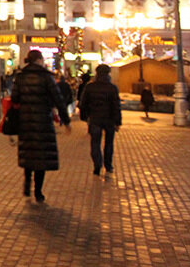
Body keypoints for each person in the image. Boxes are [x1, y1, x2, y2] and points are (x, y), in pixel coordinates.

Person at [12, 50, 71, 202]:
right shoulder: (47, 77)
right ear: (39, 60)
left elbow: (15, 98)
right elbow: (58, 99)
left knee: (28, 152)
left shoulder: (20, 77)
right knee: (41, 156)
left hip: (25, 120)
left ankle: (26, 184)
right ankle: (38, 191)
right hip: (43, 121)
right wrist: (66, 121)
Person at [79, 64, 122, 175]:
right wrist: (118, 122)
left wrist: (84, 117)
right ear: (108, 74)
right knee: (109, 143)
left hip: (95, 119)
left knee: (95, 142)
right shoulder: (112, 88)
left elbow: (83, 104)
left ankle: (97, 164)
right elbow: (116, 106)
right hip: (109, 120)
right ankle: (108, 165)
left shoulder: (90, 87)